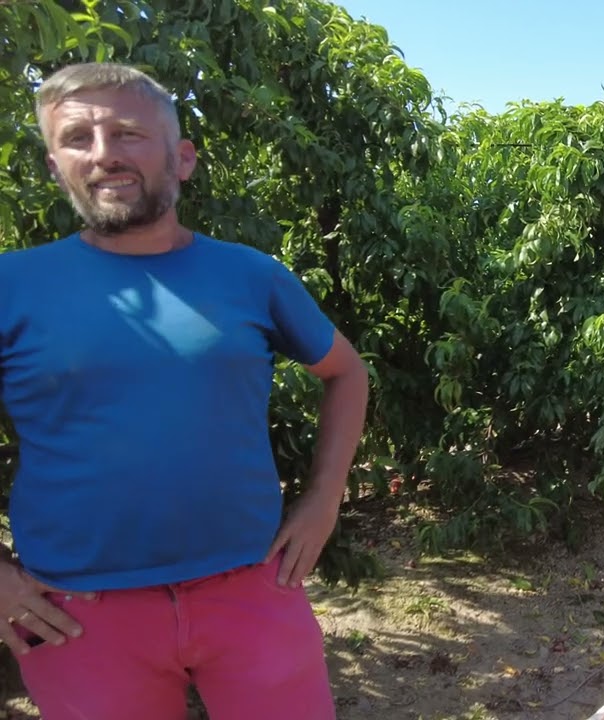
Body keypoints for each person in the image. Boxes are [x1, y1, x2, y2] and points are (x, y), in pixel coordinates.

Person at [0, 62, 369, 719]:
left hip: (253, 588)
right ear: (56, 167)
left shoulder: (251, 275)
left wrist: (325, 498)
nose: (104, 154)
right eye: (78, 138)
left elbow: (346, 371)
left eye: (128, 133)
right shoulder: (12, 285)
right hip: (78, 615)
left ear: (183, 158)